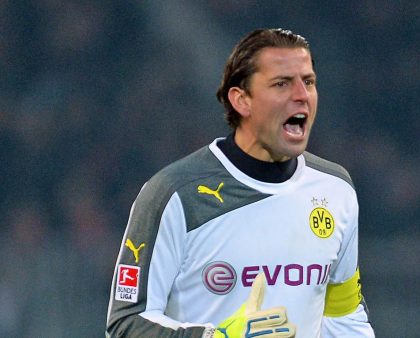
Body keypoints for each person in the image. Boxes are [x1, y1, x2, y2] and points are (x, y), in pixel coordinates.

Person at [106, 28, 375, 338]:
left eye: (309, 82)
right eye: (281, 83)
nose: (301, 95)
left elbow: (344, 319)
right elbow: (126, 324)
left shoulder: (335, 189)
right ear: (241, 100)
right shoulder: (174, 194)